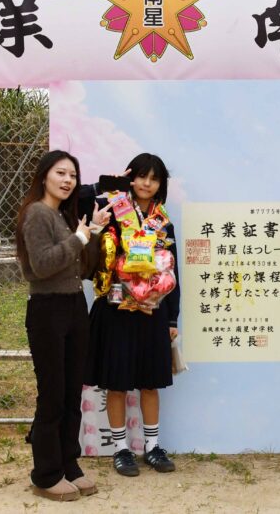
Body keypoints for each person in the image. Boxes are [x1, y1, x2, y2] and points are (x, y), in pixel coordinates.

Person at [15, 150, 111, 501]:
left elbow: (82, 268)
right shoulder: (37, 213)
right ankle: (45, 474)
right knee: (53, 394)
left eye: (73, 175)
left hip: (73, 306)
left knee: (72, 393)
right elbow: (42, 266)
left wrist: (93, 233)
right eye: (61, 173)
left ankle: (68, 464)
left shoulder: (62, 216)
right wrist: (80, 238)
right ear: (44, 176)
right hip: (47, 310)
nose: (68, 180)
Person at [84, 153, 181, 477]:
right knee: (117, 383)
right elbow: (80, 204)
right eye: (141, 176)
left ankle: (152, 447)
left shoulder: (163, 221)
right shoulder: (111, 209)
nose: (146, 183)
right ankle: (120, 449)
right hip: (116, 309)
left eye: (154, 179)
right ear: (130, 179)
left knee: (151, 383)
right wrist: (107, 187)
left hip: (152, 310)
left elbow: (174, 271)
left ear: (161, 185)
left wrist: (172, 318)